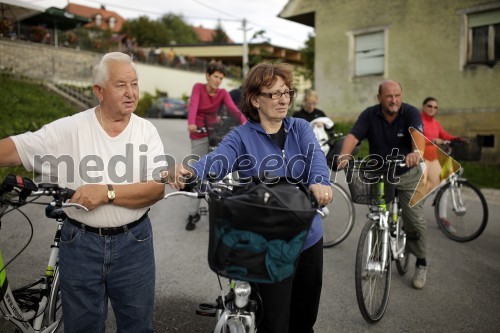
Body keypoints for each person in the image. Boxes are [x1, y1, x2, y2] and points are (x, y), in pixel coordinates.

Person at [0, 52, 166, 332]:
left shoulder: (146, 131)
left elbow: (156, 189)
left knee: (137, 326)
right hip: (80, 243)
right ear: (99, 91)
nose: (131, 93)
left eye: (134, 84)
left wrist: (106, 193)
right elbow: (17, 148)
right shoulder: (72, 127)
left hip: (134, 242)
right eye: (121, 85)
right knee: (82, 327)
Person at [170, 62, 332, 333]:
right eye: (274, 94)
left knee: (304, 320)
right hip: (267, 239)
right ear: (256, 99)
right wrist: (190, 171)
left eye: (286, 92)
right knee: (274, 323)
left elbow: (315, 158)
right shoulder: (242, 137)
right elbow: (217, 161)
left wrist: (319, 182)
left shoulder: (300, 128)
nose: (283, 100)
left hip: (307, 234)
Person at [337, 80, 428, 290]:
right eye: (389, 96)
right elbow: (353, 136)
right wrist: (344, 155)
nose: (394, 100)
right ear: (380, 98)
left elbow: (418, 136)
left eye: (397, 95)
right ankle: (376, 258)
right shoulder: (370, 114)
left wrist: (417, 153)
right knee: (378, 215)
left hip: (407, 174)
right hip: (380, 174)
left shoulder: (411, 113)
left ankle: (421, 261)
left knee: (414, 219)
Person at [185, 62, 247, 231]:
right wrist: (191, 123)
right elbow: (193, 106)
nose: (218, 80)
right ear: (207, 76)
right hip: (198, 132)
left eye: (221, 77)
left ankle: (222, 207)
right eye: (215, 76)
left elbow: (234, 110)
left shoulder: (223, 93)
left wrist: (246, 124)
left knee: (221, 170)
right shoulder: (198, 88)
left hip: (215, 133)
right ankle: (192, 213)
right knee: (196, 172)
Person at [420, 97, 459, 232]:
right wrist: (433, 140)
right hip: (421, 158)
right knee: (424, 189)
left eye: (435, 107)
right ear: (423, 106)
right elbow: (417, 137)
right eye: (430, 106)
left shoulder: (435, 123)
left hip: (434, 158)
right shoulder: (419, 121)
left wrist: (457, 139)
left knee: (446, 183)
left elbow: (444, 134)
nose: (432, 109)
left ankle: (443, 219)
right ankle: (410, 214)